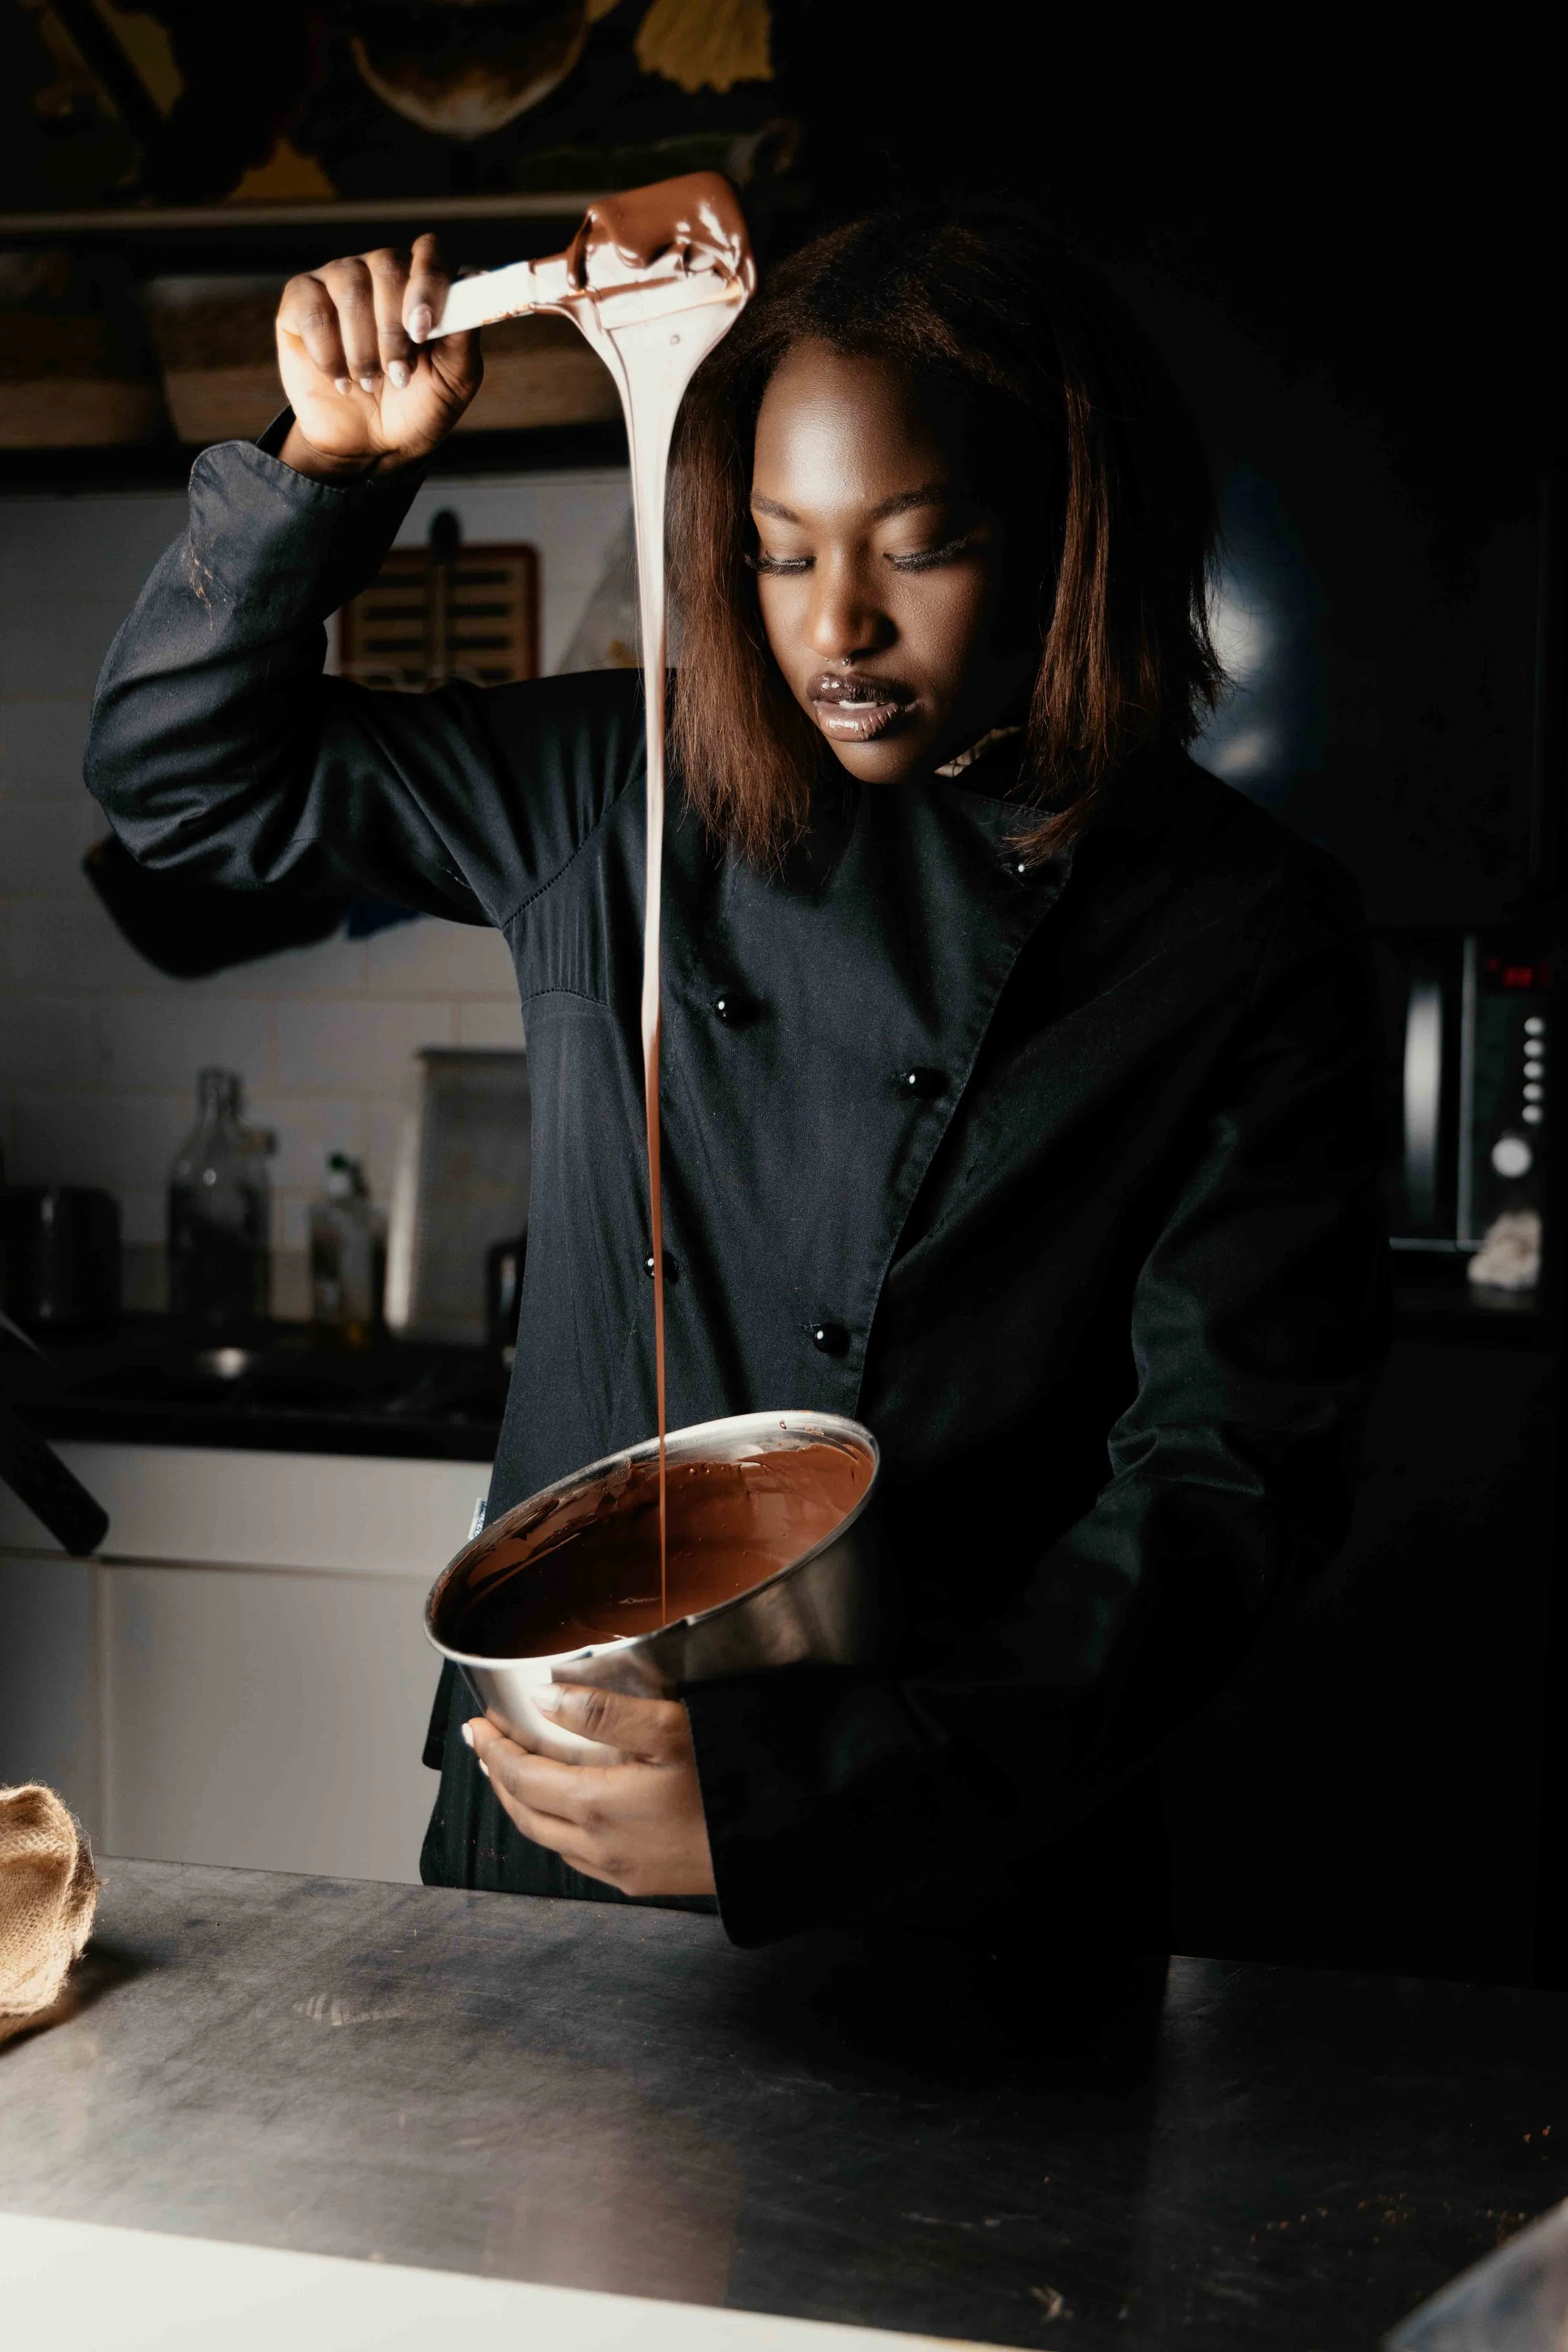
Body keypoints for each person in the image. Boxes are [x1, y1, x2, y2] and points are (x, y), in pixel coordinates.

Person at [85, 193, 1389, 1966]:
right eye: (781, 554)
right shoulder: (619, 792)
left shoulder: (1241, 930)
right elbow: (178, 781)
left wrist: (819, 1795)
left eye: (918, 548)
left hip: (961, 1847)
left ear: (1072, 532)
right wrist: (328, 471)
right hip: (556, 1805)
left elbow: (1222, 1484)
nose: (837, 627)